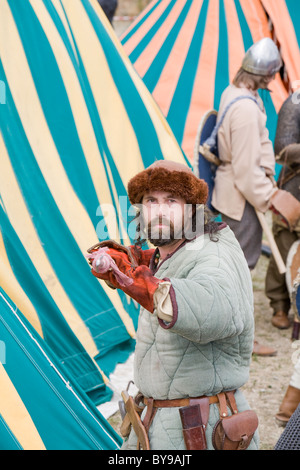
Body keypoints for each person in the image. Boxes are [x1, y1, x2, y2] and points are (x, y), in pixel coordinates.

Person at [87, 160, 259, 450]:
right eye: (151, 201)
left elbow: (216, 308)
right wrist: (134, 264)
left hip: (199, 428)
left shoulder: (214, 252)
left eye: (171, 200)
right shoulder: (170, 253)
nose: (160, 210)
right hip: (160, 421)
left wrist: (147, 286)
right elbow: (171, 268)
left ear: (192, 209)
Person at [211, 38, 294, 356]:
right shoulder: (244, 108)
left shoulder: (237, 93)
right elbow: (246, 171)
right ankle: (238, 341)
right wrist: (269, 197)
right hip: (241, 198)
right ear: (266, 74)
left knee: (237, 267)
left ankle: (232, 336)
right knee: (240, 271)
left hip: (236, 192)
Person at [265, 92, 300, 329]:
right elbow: (282, 149)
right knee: (285, 245)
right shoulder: (296, 102)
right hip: (295, 188)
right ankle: (279, 305)